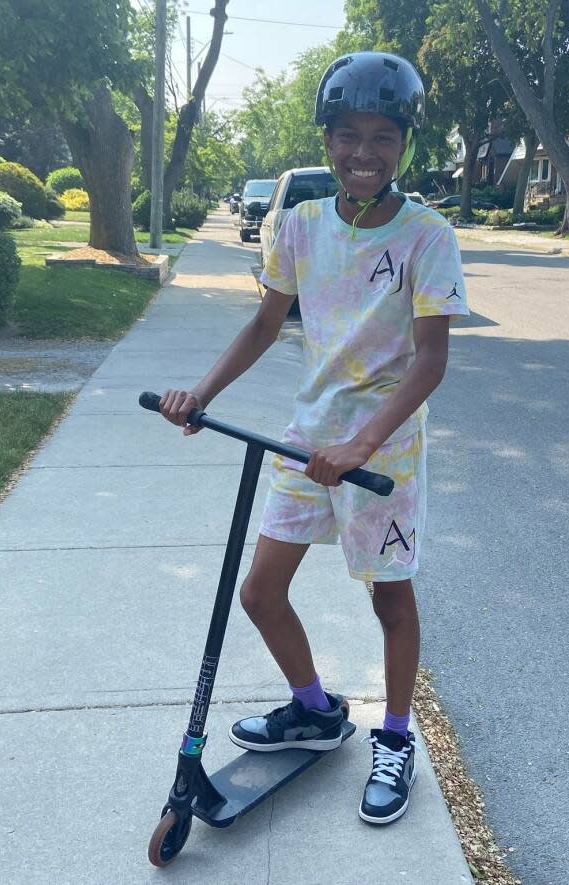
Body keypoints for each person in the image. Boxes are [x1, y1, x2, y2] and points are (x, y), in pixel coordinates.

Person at [156, 50, 468, 826]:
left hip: (380, 458)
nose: (364, 153)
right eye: (348, 135)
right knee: (260, 591)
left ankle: (394, 740)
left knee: (390, 600)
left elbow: (429, 362)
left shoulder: (427, 237)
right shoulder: (297, 224)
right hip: (306, 444)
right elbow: (267, 322)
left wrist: (362, 444)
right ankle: (316, 710)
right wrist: (201, 393)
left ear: (405, 145)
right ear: (327, 139)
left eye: (383, 136)